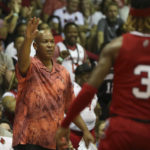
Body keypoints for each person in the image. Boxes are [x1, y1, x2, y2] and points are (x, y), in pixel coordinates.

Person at [56, 0, 150, 150]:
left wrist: (66, 123)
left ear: (130, 16)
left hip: (122, 127)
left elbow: (88, 90)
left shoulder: (116, 46)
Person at [12, 17, 94, 150]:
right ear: (35, 46)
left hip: (54, 140)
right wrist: (27, 38)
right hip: (28, 139)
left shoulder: (63, 72)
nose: (50, 45)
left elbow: (70, 107)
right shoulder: (31, 65)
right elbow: (22, 60)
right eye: (45, 42)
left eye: (51, 42)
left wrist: (85, 130)